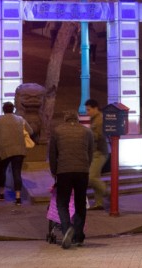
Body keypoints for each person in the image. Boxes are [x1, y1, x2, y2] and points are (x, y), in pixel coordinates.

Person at [48, 110, 94, 249]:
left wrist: (54, 172)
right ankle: (78, 237)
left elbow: (52, 154)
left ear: (65, 119)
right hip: (82, 171)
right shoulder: (87, 132)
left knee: (62, 203)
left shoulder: (57, 131)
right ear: (77, 119)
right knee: (80, 204)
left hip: (64, 171)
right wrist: (85, 167)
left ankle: (67, 228)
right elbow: (90, 153)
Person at [0, 101, 33, 205]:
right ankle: (18, 198)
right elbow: (31, 131)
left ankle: (1, 194)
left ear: (3, 110)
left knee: (2, 171)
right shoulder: (20, 119)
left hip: (3, 150)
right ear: (13, 110)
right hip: (19, 150)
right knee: (17, 172)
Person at [85, 99, 110, 209]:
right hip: (95, 152)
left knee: (91, 177)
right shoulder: (95, 119)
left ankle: (109, 193)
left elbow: (99, 136)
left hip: (100, 153)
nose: (87, 112)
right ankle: (99, 203)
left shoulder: (100, 120)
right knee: (95, 177)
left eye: (89, 109)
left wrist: (87, 134)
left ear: (95, 108)